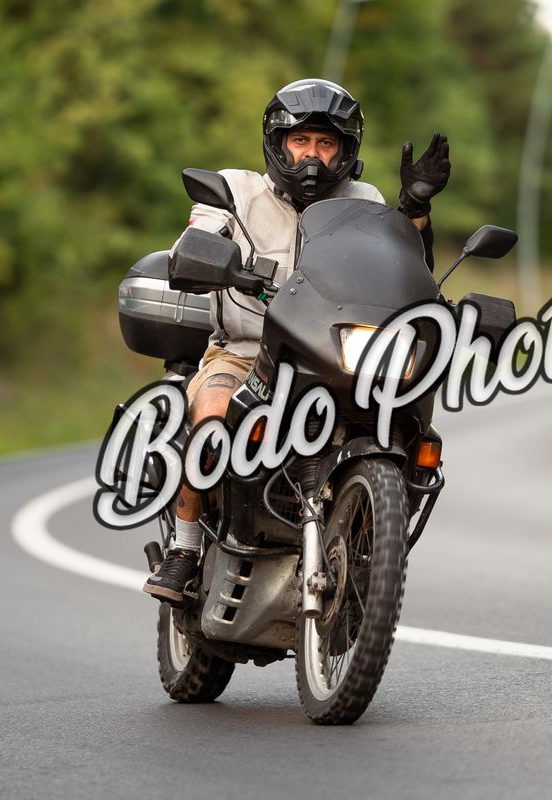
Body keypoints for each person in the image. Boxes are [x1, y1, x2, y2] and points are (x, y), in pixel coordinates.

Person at [144, 77, 450, 604]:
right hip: (245, 354)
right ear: (277, 143)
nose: (313, 155)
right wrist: (213, 260)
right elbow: (191, 246)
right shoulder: (235, 192)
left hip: (331, 355)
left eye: (326, 143)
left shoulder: (365, 202)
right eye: (301, 140)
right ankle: (186, 549)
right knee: (213, 412)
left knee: (410, 419)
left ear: (345, 150)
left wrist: (416, 211)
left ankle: (371, 538)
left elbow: (406, 273)